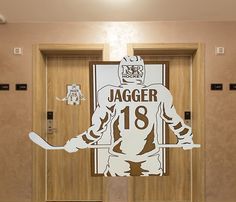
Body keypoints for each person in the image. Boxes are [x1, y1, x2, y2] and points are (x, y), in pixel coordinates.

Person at [64, 56, 194, 176]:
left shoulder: (108, 92)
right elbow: (172, 119)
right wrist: (185, 138)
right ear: (142, 72)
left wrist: (78, 142)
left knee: (114, 191)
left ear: (121, 72)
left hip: (120, 156)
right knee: (151, 190)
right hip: (148, 155)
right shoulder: (159, 91)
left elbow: (98, 128)